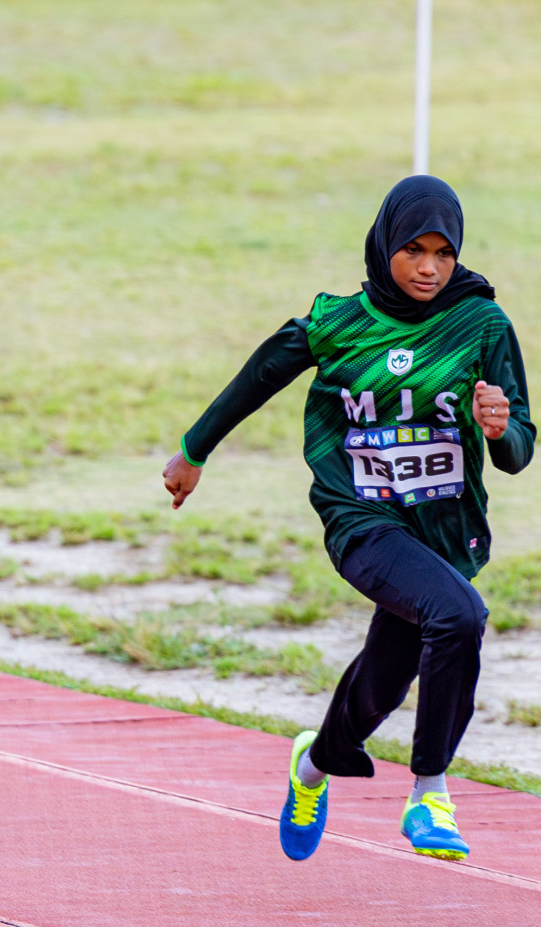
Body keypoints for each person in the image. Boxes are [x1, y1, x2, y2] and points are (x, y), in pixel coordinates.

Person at [163, 176, 533, 863]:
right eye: (413, 250)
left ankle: (311, 765)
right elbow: (260, 375)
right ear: (384, 244)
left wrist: (500, 428)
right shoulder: (338, 323)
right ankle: (430, 792)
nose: (428, 268)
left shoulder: (481, 326)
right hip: (361, 522)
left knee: (381, 683)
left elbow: (518, 452)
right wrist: (194, 450)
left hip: (444, 533)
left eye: (443, 254)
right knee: (460, 616)